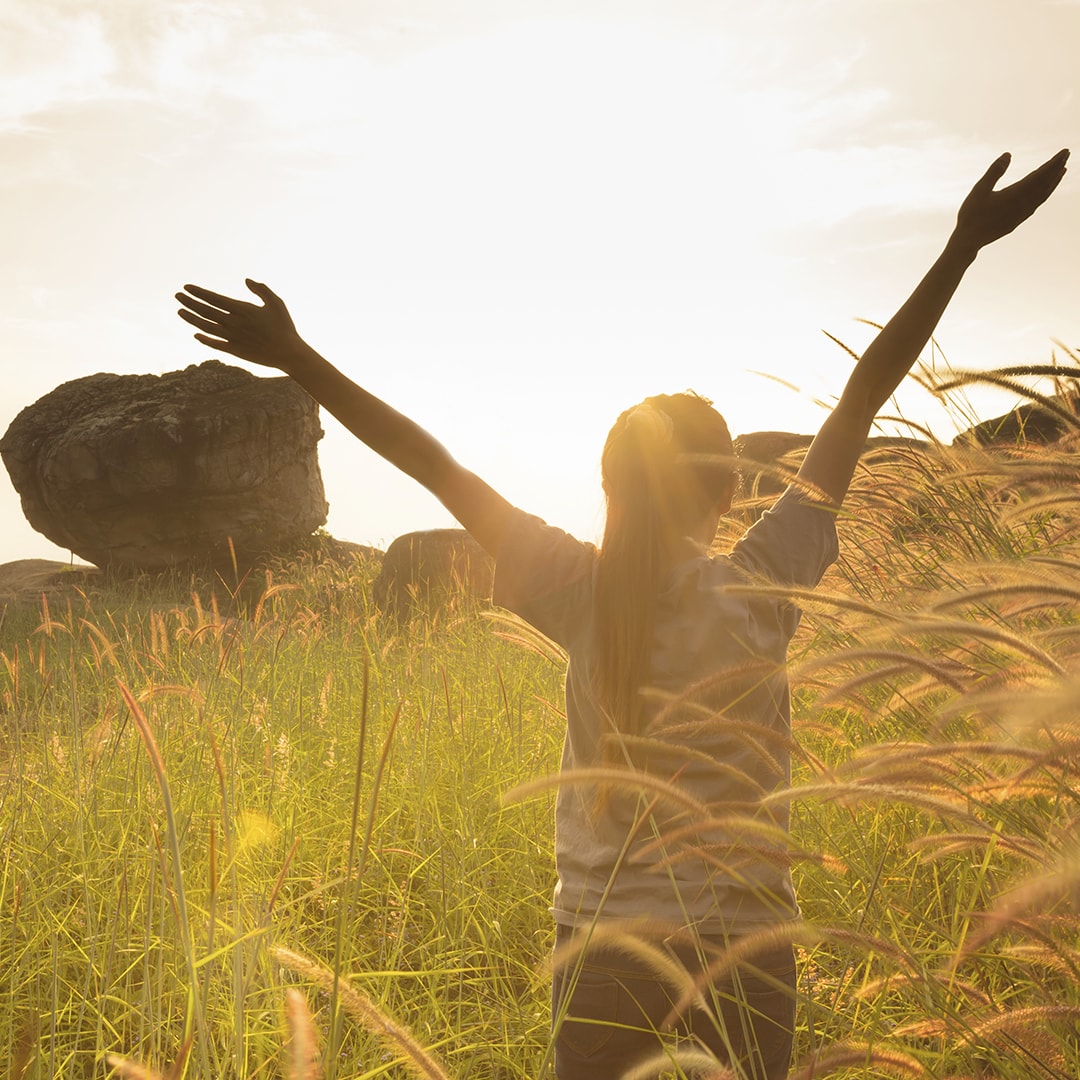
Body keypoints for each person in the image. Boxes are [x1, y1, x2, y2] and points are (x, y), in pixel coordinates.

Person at [176, 149, 1068, 1079]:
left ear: (609, 488)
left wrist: (298, 357)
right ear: (727, 493)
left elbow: (432, 463)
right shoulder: (764, 583)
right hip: (747, 950)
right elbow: (861, 397)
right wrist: (962, 246)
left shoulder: (576, 588)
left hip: (605, 948)